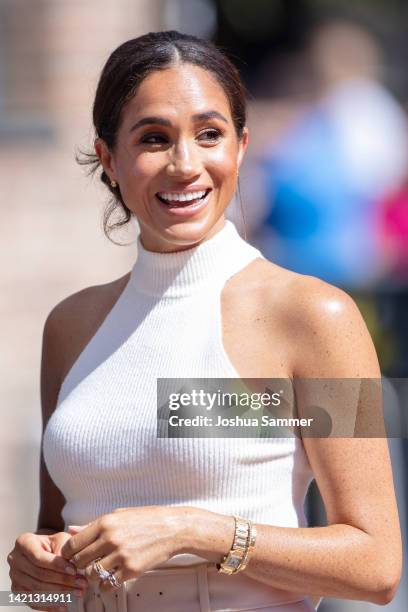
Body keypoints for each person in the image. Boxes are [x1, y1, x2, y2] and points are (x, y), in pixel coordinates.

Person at [7, 31, 402, 612]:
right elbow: (56, 535)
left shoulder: (317, 316)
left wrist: (198, 531)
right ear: (109, 158)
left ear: (241, 147)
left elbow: (377, 564)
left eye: (209, 134)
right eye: (154, 138)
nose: (185, 164)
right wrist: (32, 568)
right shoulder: (71, 325)